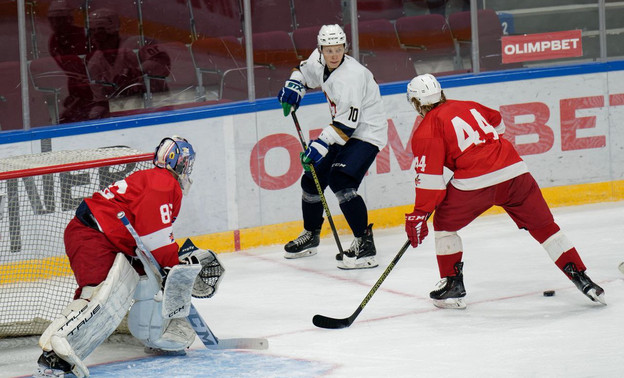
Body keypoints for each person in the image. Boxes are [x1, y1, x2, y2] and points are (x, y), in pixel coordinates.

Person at [403, 73, 606, 309]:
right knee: (545, 228)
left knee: (445, 225)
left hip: (475, 183)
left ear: (416, 103)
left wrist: (420, 214)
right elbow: (498, 122)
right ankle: (583, 279)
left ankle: (453, 286)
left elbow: (431, 183)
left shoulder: (426, 128)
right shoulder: (468, 106)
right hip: (515, 172)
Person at [37, 136, 223, 377]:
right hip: (93, 234)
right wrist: (175, 267)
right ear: (177, 162)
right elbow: (156, 237)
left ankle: (154, 334)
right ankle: (53, 354)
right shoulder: (163, 184)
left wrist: (170, 268)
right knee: (96, 294)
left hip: (111, 238)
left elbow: (150, 235)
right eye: (186, 162)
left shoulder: (157, 180)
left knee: (147, 280)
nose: (187, 168)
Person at [276, 24, 388, 270]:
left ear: (345, 48)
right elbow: (303, 72)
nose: (334, 55)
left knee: (341, 181)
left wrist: (319, 146)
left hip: (367, 132)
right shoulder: (318, 60)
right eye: (329, 50)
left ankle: (365, 245)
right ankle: (311, 236)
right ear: (321, 49)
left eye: (339, 49)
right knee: (312, 179)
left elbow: (347, 125)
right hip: (344, 130)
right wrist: (295, 86)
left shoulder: (352, 77)